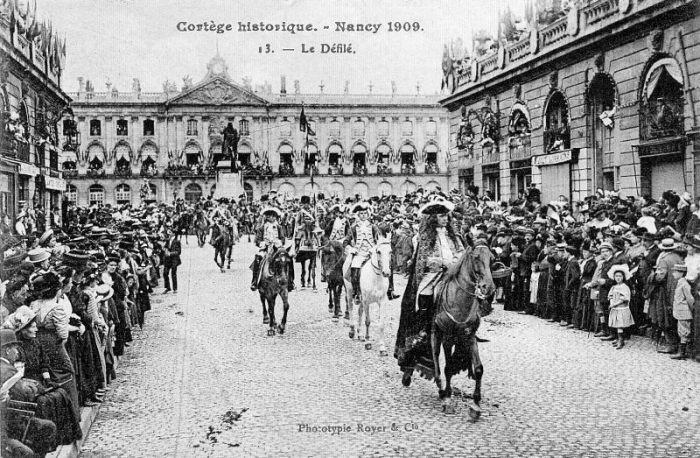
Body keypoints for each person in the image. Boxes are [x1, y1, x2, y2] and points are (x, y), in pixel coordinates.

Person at [395, 197, 463, 366]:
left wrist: (455, 261)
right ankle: (424, 328)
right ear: (433, 219)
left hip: (452, 272)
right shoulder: (425, 238)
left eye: (446, 216)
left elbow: (462, 251)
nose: (445, 219)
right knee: (425, 294)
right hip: (433, 274)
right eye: (441, 216)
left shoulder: (453, 236)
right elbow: (423, 260)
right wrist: (441, 263)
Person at [343, 202, 380, 304]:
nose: (364, 216)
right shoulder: (354, 227)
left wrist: (376, 248)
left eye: (365, 214)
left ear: (368, 215)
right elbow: (346, 241)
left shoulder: (373, 227)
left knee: (386, 264)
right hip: (359, 253)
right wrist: (351, 249)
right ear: (358, 215)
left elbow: (379, 239)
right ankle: (356, 292)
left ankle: (390, 290)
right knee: (354, 269)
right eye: (361, 214)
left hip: (371, 252)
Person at [251, 207, 291, 291]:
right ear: (266, 217)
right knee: (258, 258)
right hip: (266, 248)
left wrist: (279, 242)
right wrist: (263, 243)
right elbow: (257, 240)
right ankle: (254, 281)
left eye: (273, 216)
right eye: (269, 216)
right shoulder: (262, 228)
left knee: (287, 258)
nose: (271, 218)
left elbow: (283, 239)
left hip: (277, 248)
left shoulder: (279, 227)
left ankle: (290, 281)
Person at [607, 264, 634, 349]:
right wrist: (611, 302)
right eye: (616, 276)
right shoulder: (614, 287)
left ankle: (621, 340)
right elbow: (610, 296)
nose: (618, 278)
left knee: (620, 325)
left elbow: (624, 298)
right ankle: (618, 338)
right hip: (615, 308)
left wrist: (615, 304)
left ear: (623, 277)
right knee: (616, 323)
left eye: (620, 276)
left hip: (621, 308)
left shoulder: (624, 287)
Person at [670, 263, 694, 360]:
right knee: (681, 330)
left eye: (675, 272)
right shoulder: (680, 282)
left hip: (684, 312)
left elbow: (690, 298)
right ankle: (683, 351)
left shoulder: (684, 284)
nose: (673, 274)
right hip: (680, 311)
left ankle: (682, 353)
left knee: (684, 331)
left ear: (681, 273)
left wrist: (691, 309)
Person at [161, 228, 181, 294]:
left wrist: (170, 253)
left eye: (170, 232)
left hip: (174, 260)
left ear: (173, 234)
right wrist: (164, 249)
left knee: (173, 274)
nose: (168, 234)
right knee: (165, 273)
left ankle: (175, 289)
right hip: (168, 260)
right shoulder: (167, 240)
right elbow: (166, 247)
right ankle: (168, 287)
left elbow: (178, 252)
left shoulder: (177, 241)